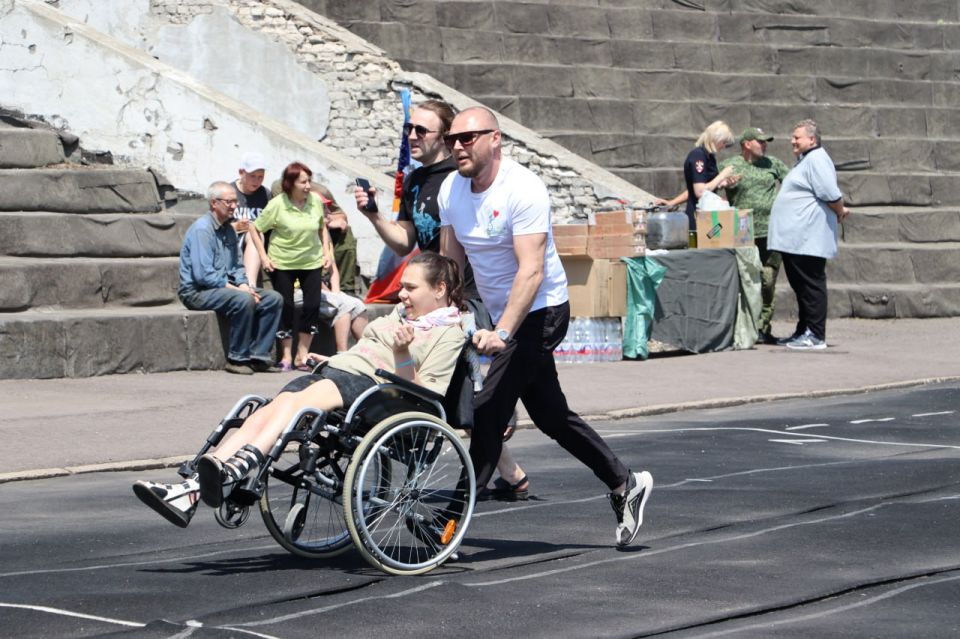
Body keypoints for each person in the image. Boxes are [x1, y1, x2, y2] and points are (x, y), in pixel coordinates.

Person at [438, 106, 653, 546]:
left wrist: (502, 333)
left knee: (489, 409)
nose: (458, 146)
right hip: (501, 313)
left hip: (541, 311)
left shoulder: (523, 188)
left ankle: (447, 528)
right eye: (452, 139)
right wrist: (440, 315)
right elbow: (450, 265)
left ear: (494, 138)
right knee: (551, 415)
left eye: (468, 137)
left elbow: (531, 272)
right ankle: (624, 483)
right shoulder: (450, 190)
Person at [133, 252, 467, 527]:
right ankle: (193, 486)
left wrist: (401, 353)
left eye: (410, 288)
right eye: (402, 287)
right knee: (270, 407)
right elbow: (364, 349)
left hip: (379, 391)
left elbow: (428, 393)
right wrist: (337, 356)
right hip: (342, 370)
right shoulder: (399, 316)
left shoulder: (449, 333)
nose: (402, 294)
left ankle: (238, 466)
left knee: (298, 405)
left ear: (439, 289)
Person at [357, 99, 528, 501]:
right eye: (408, 130)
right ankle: (514, 474)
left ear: (446, 137)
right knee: (445, 393)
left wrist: (461, 305)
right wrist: (373, 216)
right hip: (430, 294)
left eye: (422, 131)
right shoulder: (415, 181)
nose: (412, 136)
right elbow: (404, 243)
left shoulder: (461, 176)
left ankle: (500, 429)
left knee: (454, 393)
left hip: (463, 297)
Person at [177, 182, 283, 375]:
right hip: (197, 292)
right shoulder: (203, 230)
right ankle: (237, 358)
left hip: (223, 287)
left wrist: (244, 284)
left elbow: (237, 266)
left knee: (273, 298)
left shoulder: (229, 230)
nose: (234, 206)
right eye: (229, 202)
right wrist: (238, 290)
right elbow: (203, 276)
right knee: (243, 298)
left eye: (235, 201)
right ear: (214, 203)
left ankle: (259, 356)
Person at [768, 119, 850, 351]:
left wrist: (840, 210)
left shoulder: (817, 159)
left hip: (807, 238)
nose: (792, 140)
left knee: (811, 285)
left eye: (797, 137)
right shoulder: (806, 160)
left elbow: (831, 193)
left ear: (812, 139)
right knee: (801, 286)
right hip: (796, 239)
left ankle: (815, 335)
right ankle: (803, 330)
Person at [249, 162, 332, 371]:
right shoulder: (278, 203)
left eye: (309, 181)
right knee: (285, 306)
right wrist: (263, 256)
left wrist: (326, 252)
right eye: (303, 182)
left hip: (311, 260)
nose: (307, 186)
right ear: (291, 183)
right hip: (283, 261)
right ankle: (286, 355)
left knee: (312, 306)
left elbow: (322, 228)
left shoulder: (315, 202)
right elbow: (255, 227)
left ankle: (302, 356)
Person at [719, 127, 791, 344]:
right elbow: (710, 190)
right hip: (742, 231)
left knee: (767, 280)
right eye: (760, 141)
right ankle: (743, 327)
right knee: (746, 281)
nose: (764, 145)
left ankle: (762, 327)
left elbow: (793, 183)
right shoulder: (729, 165)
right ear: (747, 143)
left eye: (766, 141)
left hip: (771, 231)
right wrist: (724, 187)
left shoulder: (773, 163)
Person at [655, 120, 738, 230]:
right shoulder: (699, 156)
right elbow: (700, 191)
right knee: (704, 243)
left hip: (708, 213)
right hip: (698, 216)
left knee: (714, 241)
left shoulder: (709, 157)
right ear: (715, 138)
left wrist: (724, 182)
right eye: (723, 142)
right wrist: (721, 175)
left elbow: (695, 188)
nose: (723, 146)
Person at [229, 152, 272, 287]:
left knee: (256, 233)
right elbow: (214, 226)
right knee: (255, 234)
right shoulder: (229, 192)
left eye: (260, 177)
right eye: (252, 176)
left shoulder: (265, 194)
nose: (257, 181)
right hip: (232, 240)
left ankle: (250, 284)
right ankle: (249, 284)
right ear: (241, 172)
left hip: (258, 242)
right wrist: (236, 226)